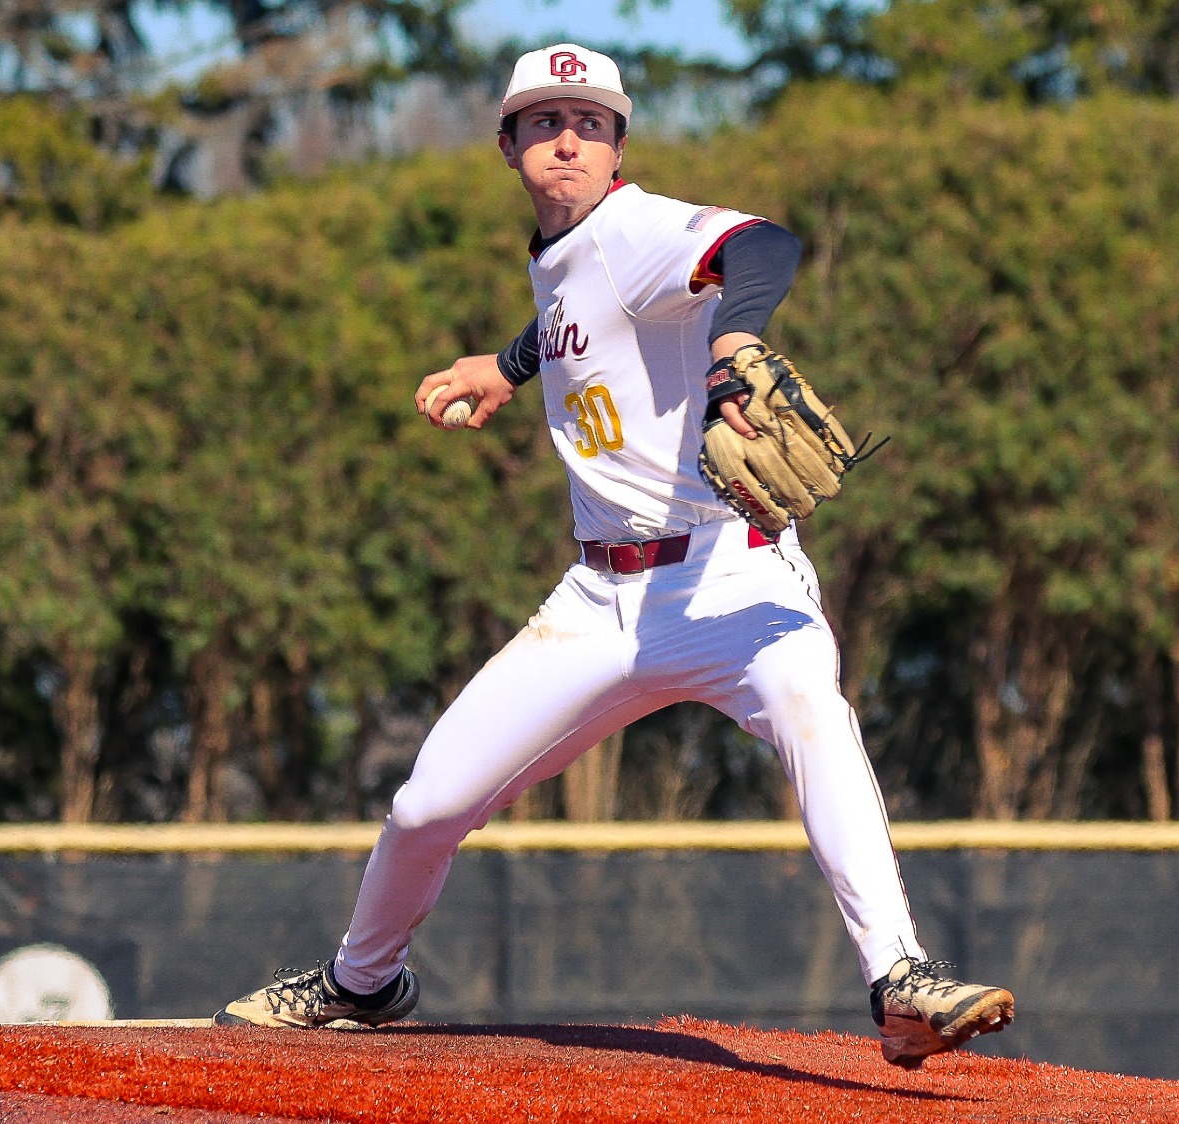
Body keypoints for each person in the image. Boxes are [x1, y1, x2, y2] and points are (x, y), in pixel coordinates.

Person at [216, 42, 1015, 1068]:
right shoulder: (564, 249)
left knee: (814, 714)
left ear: (617, 146)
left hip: (733, 573)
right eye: (545, 121)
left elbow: (762, 245)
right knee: (424, 806)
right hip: (600, 598)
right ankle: (363, 982)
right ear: (505, 145)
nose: (568, 138)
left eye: (590, 123)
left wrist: (733, 344)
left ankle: (898, 977)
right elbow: (576, 317)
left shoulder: (637, 225)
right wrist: (505, 366)